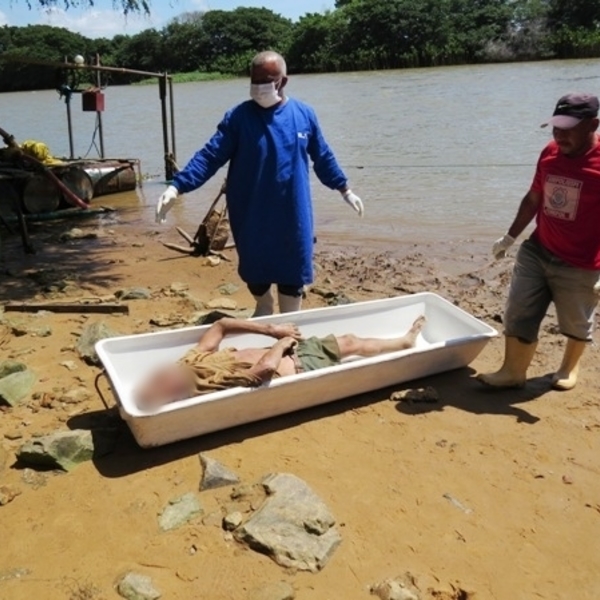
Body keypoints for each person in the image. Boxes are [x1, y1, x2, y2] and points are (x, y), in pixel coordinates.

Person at [155, 50, 364, 317]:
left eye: (267, 80)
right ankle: (264, 306)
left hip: (293, 212)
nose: (260, 86)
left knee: (293, 269)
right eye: (255, 80)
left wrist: (344, 189)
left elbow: (323, 156)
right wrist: (177, 186)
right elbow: (210, 156)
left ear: (283, 81)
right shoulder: (238, 118)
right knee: (255, 268)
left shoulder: (304, 115)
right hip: (250, 211)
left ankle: (290, 321)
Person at [478, 92, 600, 391]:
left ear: (592, 125)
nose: (559, 135)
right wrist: (509, 237)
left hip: (582, 261)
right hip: (539, 248)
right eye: (556, 127)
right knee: (519, 308)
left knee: (575, 321)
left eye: (568, 128)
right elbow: (534, 197)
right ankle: (512, 372)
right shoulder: (549, 153)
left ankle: (568, 369)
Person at [135, 315, 426, 409]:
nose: (159, 373)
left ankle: (403, 342)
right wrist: (282, 343)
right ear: (172, 395)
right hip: (302, 365)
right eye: (159, 382)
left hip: (290, 348)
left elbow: (221, 325)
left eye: (154, 376)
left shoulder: (190, 360)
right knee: (350, 347)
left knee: (349, 339)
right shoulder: (206, 386)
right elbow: (262, 372)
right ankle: (403, 345)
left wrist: (272, 330)